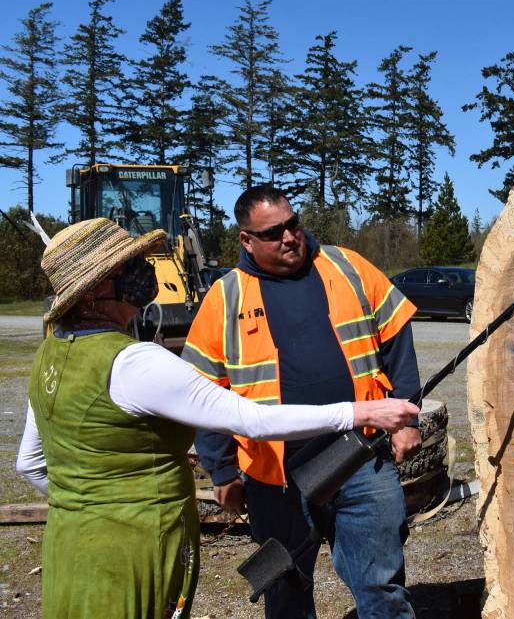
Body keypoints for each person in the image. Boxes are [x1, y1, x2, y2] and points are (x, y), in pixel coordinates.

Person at [14, 218, 419, 619]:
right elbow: (251, 420)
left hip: (71, 544)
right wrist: (361, 411)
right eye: (130, 265)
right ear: (97, 289)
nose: (145, 271)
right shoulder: (135, 361)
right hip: (136, 545)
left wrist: (89, 504)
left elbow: (29, 464)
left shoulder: (46, 358)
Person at [183, 185, 422, 619]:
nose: (289, 237)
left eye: (293, 224)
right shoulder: (225, 297)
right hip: (275, 477)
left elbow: (397, 341)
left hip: (362, 459)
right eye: (273, 232)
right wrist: (222, 470)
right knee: (285, 594)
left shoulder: (347, 265)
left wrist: (407, 418)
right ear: (246, 241)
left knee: (382, 588)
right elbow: (204, 391)